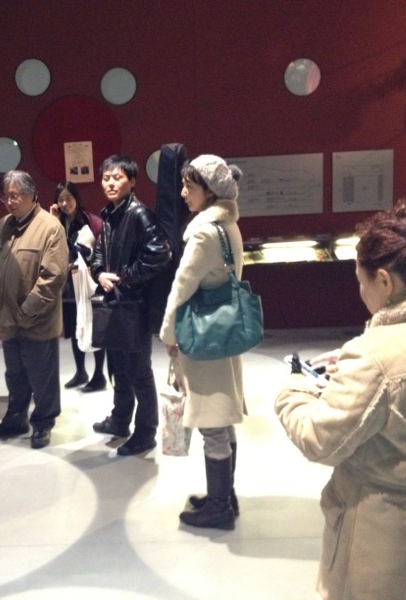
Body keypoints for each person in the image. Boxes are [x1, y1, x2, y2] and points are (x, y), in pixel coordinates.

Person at [275, 198, 406, 599]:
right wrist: (355, 370)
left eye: (361, 281)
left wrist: (295, 389)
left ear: (385, 281)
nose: (361, 292)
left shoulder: (373, 358)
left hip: (386, 550)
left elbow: (320, 440)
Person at [159, 155, 245, 530]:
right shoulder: (228, 226)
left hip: (203, 337)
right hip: (223, 333)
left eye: (189, 186)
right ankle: (225, 497)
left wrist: (169, 333)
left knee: (211, 422)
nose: (183, 193)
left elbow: (182, 287)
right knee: (223, 419)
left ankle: (219, 508)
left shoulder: (204, 233)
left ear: (209, 191)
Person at [91, 155, 172, 456]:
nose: (110, 183)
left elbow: (160, 253)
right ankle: (120, 419)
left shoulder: (139, 214)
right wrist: (99, 273)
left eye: (117, 177)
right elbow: (99, 254)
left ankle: (146, 433)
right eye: (106, 178)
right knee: (119, 369)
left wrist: (125, 277)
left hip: (134, 306)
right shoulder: (110, 215)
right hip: (117, 304)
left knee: (139, 372)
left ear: (133, 181)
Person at [0, 170, 68, 449]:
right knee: (15, 375)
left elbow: (53, 276)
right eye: (6, 196)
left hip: (37, 320)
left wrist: (27, 311)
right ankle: (16, 418)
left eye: (16, 195)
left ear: (32, 195)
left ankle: (43, 424)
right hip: (8, 318)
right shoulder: (2, 225)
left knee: (43, 377)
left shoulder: (50, 227)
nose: (10, 201)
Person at [49, 181, 107, 392]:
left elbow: (92, 252)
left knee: (94, 327)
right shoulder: (56, 222)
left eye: (68, 198)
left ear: (77, 199)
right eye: (60, 200)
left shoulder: (91, 222)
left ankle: (99, 375)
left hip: (88, 283)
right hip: (67, 285)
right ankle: (80, 371)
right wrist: (54, 221)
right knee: (75, 328)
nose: (64, 203)